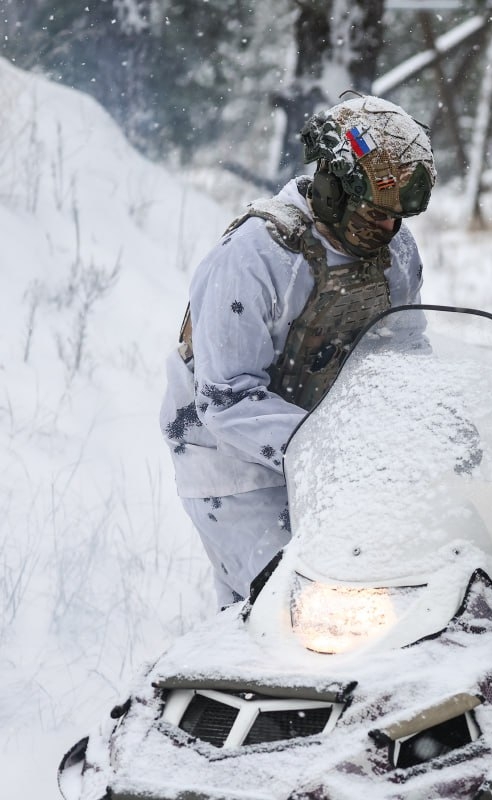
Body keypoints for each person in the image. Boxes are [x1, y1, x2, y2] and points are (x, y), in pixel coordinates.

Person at [161, 94, 436, 609]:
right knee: (291, 606)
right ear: (332, 187)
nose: (389, 230)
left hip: (331, 460)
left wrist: (436, 428)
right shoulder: (257, 256)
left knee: (384, 599)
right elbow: (225, 398)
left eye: (399, 218)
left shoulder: (394, 253)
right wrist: (333, 448)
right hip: (230, 468)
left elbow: (405, 353)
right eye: (376, 213)